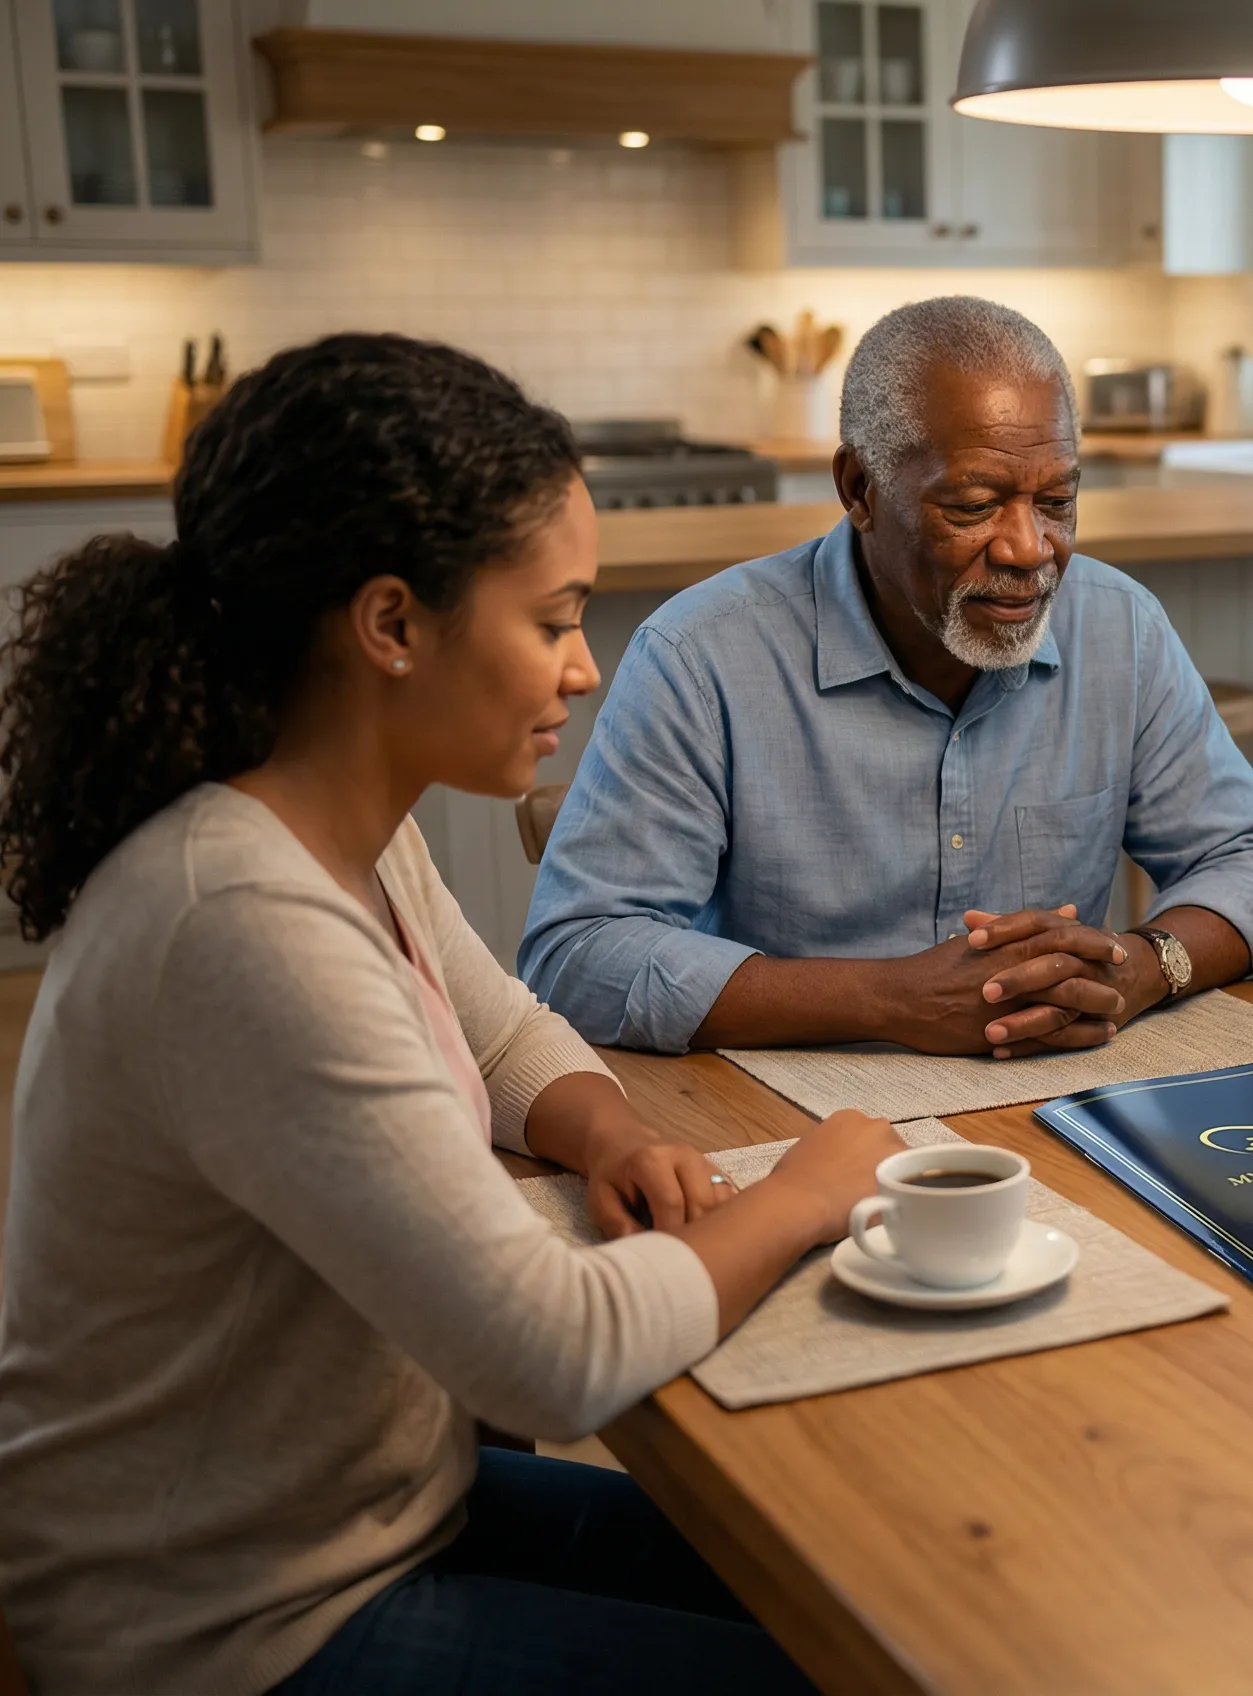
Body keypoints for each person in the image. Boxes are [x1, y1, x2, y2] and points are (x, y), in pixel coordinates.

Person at [0, 333, 899, 1694]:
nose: (583, 668)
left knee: (836, 1579)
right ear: (392, 626)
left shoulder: (335, 821)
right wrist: (808, 1190)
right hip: (224, 1621)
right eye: (552, 621)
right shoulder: (239, 920)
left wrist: (606, 1136)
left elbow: (497, 1034)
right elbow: (553, 1356)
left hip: (362, 1507)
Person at [520, 295, 1253, 1057]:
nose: (1028, 549)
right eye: (973, 506)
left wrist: (1143, 967)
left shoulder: (1118, 627)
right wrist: (891, 1002)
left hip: (1052, 1095)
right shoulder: (704, 656)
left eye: (1058, 501)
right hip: (785, 1111)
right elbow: (578, 954)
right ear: (859, 490)